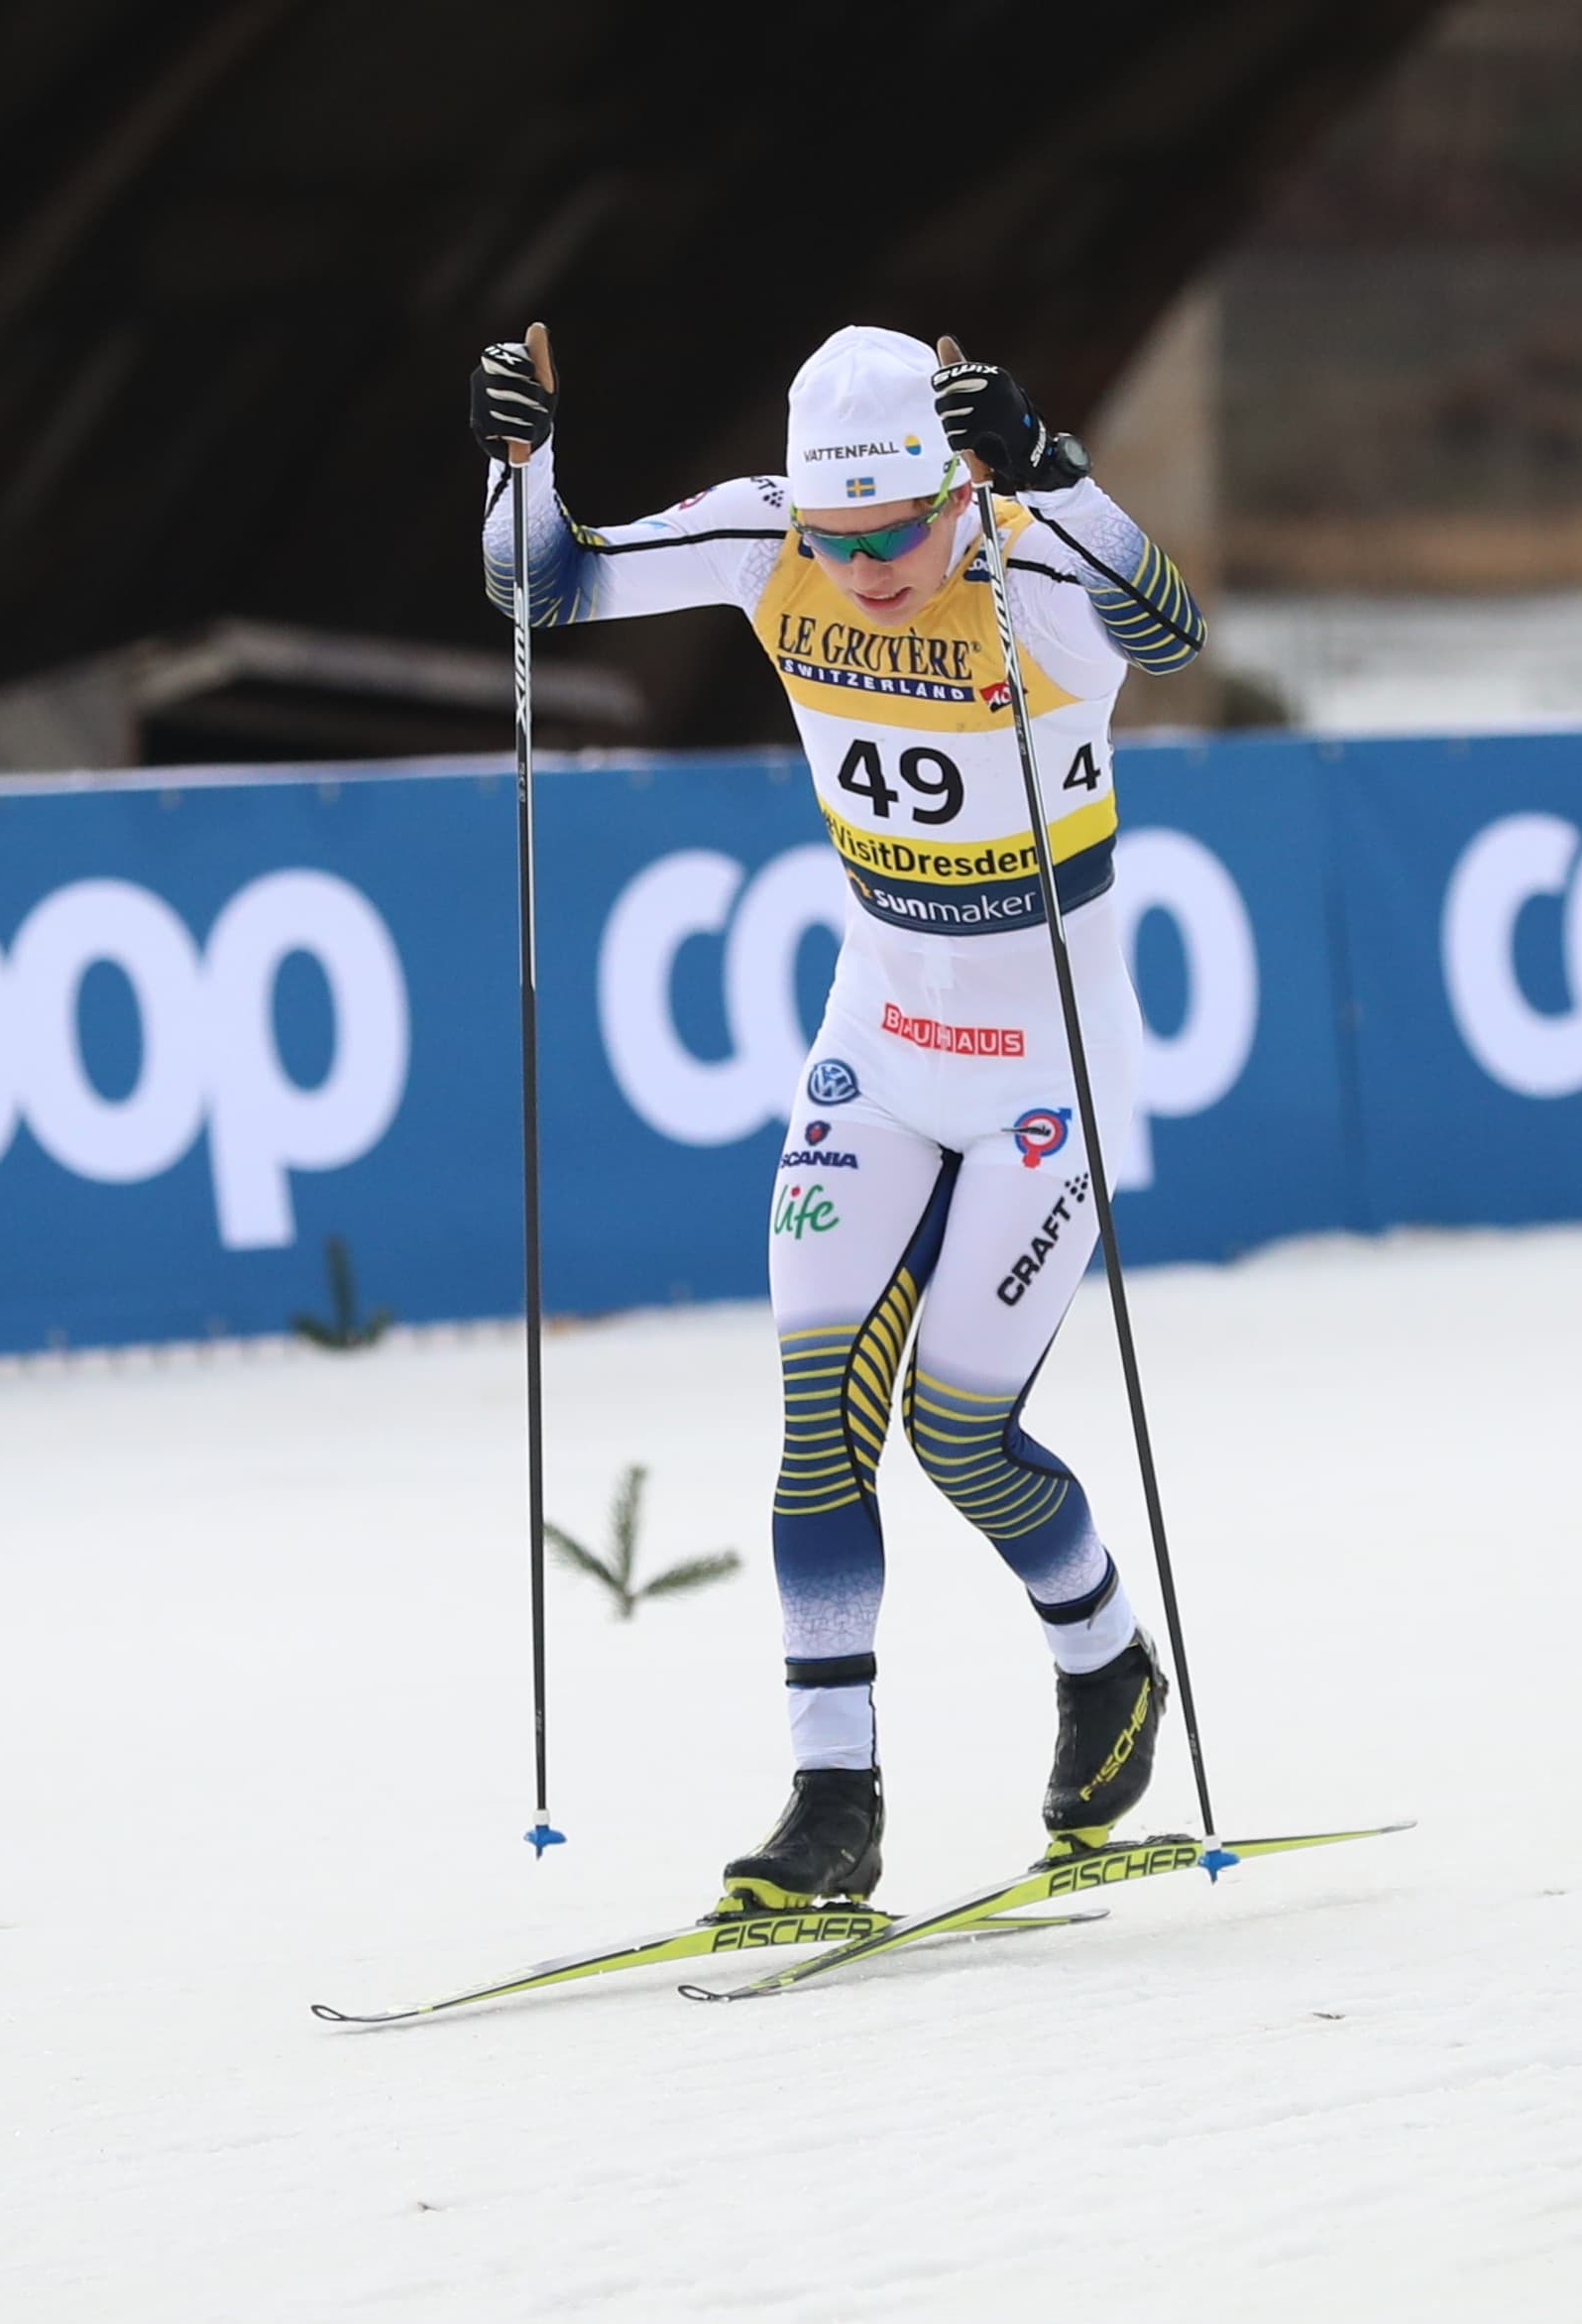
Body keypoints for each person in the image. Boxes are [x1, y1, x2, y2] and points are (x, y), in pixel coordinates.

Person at [471, 323, 1206, 1912]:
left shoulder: (1027, 563)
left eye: (895, 535)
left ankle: (1105, 1661)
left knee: (959, 1428)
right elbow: (543, 591)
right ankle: (833, 1800)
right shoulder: (772, 536)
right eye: (833, 538)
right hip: (875, 1043)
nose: (864, 572)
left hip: (1043, 1071)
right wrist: (522, 466)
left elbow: (1177, 626)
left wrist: (1058, 470)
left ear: (956, 490)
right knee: (820, 1421)